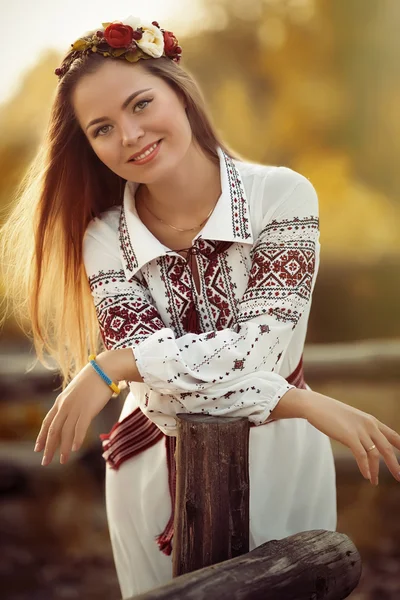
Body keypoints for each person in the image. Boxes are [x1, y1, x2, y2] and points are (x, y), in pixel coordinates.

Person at [1, 14, 399, 599]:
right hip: (149, 471)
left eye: (140, 104)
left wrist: (116, 365)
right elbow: (162, 403)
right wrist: (304, 404)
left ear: (180, 92)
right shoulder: (102, 237)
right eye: (102, 128)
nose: (130, 135)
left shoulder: (282, 196)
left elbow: (254, 354)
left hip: (282, 455)